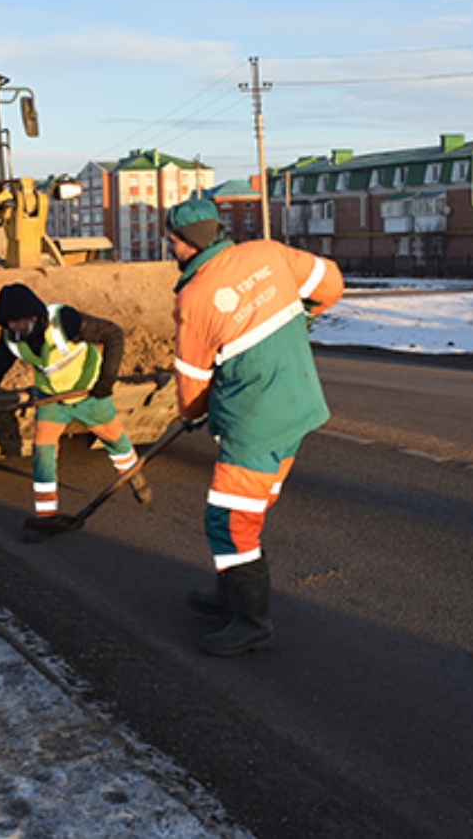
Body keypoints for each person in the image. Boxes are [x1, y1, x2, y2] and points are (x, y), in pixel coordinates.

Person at [164, 198, 344, 657]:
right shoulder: (267, 253)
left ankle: (251, 624)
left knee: (229, 520)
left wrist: (192, 416)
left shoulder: (196, 296)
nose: (170, 247)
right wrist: (298, 317)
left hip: (254, 421)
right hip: (299, 405)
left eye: (172, 240)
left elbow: (192, 382)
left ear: (190, 243)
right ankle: (229, 595)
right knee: (249, 510)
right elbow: (331, 285)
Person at [0, 283, 151, 536]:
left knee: (113, 438)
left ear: (34, 316)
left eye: (18, 321)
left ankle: (133, 475)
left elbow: (113, 334)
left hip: (87, 392)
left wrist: (106, 381)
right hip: (51, 398)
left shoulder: (64, 320)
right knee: (42, 451)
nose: (13, 327)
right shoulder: (11, 337)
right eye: (8, 323)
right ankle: (46, 515)